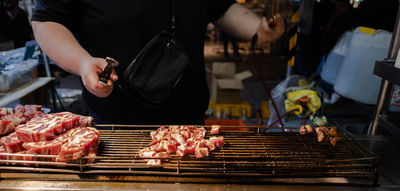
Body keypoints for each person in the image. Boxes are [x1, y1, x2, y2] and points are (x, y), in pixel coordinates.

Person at [31, 1, 284, 125]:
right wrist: (83, 62)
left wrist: (259, 30)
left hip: (189, 122)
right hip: (116, 126)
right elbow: (47, 21)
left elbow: (220, 8)